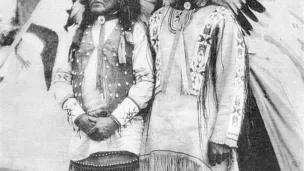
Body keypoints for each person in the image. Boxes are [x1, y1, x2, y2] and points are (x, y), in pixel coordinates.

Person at [140, 0, 248, 170]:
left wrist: (223, 136)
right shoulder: (156, 18)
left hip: (203, 138)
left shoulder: (220, 18)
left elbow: (233, 79)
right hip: (157, 137)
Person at [52, 0, 154, 170]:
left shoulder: (135, 29)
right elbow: (60, 79)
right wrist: (79, 117)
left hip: (125, 143)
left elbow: (145, 81)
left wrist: (114, 121)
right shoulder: (74, 31)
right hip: (82, 143)